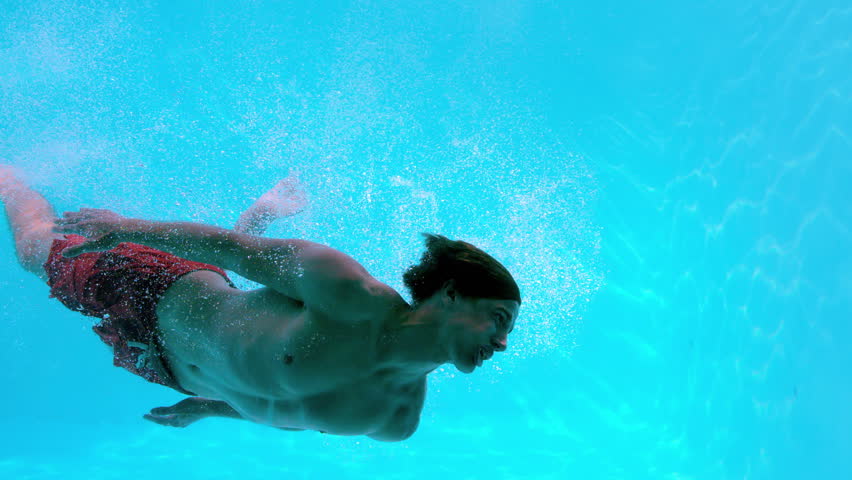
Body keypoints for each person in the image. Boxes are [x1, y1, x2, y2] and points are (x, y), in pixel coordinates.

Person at [0, 164, 521, 442]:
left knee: (246, 299)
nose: (501, 342)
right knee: (33, 250)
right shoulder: (348, 292)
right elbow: (230, 250)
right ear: (451, 293)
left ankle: (261, 213)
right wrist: (124, 229)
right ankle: (7, 176)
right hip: (159, 289)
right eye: (498, 320)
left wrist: (206, 409)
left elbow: (288, 412)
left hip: (161, 364)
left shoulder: (394, 420)